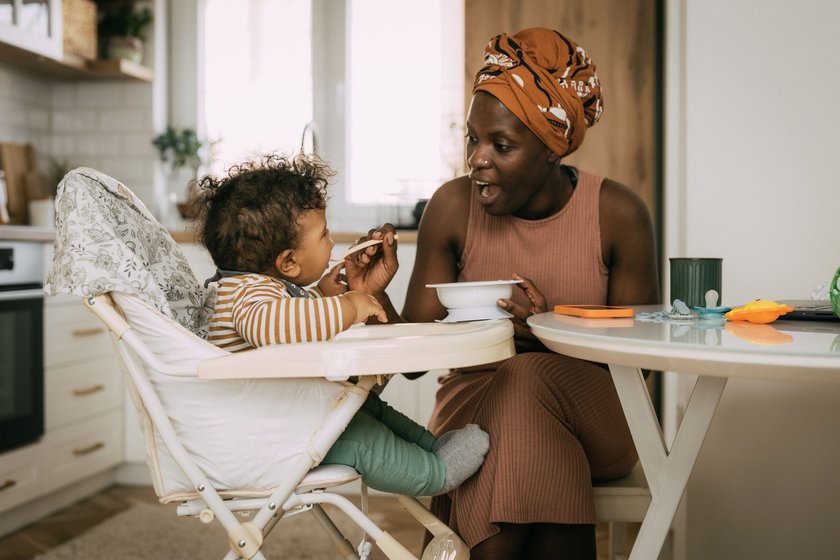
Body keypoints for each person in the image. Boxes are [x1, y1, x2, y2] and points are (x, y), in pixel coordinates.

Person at [348, 28, 660, 559]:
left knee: (521, 376)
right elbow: (416, 363)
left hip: (594, 418)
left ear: (550, 149)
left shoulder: (618, 213)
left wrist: (544, 332)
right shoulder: (450, 207)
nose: (477, 159)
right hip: (472, 413)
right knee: (514, 411)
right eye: (473, 139)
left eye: (502, 145)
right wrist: (373, 295)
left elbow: (643, 363)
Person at [192, 153, 490, 497]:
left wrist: (321, 294)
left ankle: (431, 447)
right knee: (358, 435)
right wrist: (345, 306)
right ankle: (436, 473)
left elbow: (283, 325)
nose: (332, 242)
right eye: (324, 234)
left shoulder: (253, 288)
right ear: (288, 261)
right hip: (269, 437)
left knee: (360, 403)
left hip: (283, 420)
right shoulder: (245, 293)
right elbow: (267, 327)